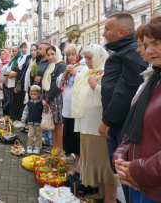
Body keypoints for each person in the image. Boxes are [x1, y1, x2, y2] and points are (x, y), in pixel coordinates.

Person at [99, 13, 147, 202]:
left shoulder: (131, 52)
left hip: (122, 125)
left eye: (107, 29)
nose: (103, 33)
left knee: (126, 175)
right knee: (121, 173)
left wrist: (107, 120)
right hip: (119, 123)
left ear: (121, 32)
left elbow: (126, 91)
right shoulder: (124, 51)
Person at [113, 17, 161, 203]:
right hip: (140, 184)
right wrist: (119, 159)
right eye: (146, 45)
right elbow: (135, 126)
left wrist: (135, 170)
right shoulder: (153, 80)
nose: (148, 51)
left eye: (156, 43)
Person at [72, 44, 120, 203]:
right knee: (93, 162)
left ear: (99, 57)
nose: (87, 61)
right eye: (85, 58)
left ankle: (111, 198)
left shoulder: (108, 72)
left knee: (104, 165)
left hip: (99, 127)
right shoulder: (85, 73)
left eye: (90, 58)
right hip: (85, 126)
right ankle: (100, 193)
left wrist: (95, 86)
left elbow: (111, 99)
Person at [56, 44, 87, 173]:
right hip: (67, 110)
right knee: (71, 142)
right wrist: (65, 73)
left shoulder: (83, 67)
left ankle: (80, 169)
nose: (71, 57)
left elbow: (85, 83)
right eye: (68, 55)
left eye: (73, 54)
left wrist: (75, 73)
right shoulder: (67, 68)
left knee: (78, 141)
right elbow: (59, 84)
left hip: (78, 111)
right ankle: (76, 167)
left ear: (78, 54)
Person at [42, 45, 66, 151]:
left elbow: (57, 85)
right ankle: (55, 149)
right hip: (50, 98)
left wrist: (47, 99)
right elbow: (45, 83)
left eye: (52, 54)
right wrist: (44, 98)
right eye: (48, 55)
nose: (50, 57)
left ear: (57, 53)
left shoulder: (60, 65)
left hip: (56, 98)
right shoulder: (51, 65)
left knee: (58, 124)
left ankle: (59, 150)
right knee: (52, 124)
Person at [35, 43, 52, 150]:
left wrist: (40, 80)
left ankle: (48, 141)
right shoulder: (40, 61)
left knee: (47, 117)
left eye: (40, 49)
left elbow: (49, 79)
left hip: (46, 94)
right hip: (39, 93)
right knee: (43, 117)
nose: (37, 50)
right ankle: (44, 138)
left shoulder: (49, 63)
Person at [10, 41, 31, 126]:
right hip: (19, 83)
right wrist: (16, 85)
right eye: (21, 47)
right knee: (18, 102)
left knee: (24, 102)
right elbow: (18, 72)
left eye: (25, 47)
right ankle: (18, 118)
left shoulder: (29, 58)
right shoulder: (21, 58)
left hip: (25, 84)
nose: (23, 49)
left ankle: (24, 121)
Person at [21, 85, 43, 154]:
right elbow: (25, 111)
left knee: (38, 136)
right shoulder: (29, 103)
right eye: (31, 94)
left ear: (39, 94)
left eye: (35, 94)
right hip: (30, 122)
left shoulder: (41, 104)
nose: (33, 96)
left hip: (39, 122)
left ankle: (37, 147)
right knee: (30, 135)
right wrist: (23, 118)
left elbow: (44, 113)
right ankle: (29, 146)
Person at [0, 49, 11, 116]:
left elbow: (7, 74)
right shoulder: (1, 64)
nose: (1, 55)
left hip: (6, 85)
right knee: (2, 100)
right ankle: (3, 115)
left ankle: (6, 116)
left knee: (6, 101)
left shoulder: (8, 63)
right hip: (1, 85)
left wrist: (2, 83)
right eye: (1, 54)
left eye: (3, 54)